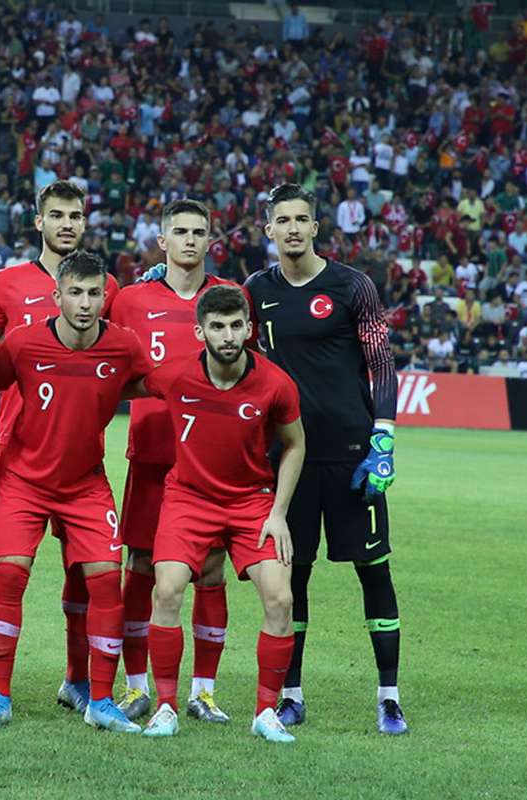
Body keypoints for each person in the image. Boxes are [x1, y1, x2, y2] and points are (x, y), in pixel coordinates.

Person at [244, 183, 407, 735]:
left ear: (315, 227)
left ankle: (389, 697)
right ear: (269, 229)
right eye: (282, 220)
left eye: (302, 219)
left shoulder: (352, 286)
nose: (292, 228)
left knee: (374, 570)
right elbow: (218, 325)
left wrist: (383, 438)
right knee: (293, 576)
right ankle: (291, 695)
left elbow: (381, 362)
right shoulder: (256, 290)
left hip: (353, 457)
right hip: (288, 460)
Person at [0, 250, 148, 734]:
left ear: (105, 297)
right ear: (57, 296)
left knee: (106, 582)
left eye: (93, 294)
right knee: (8, 576)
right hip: (24, 481)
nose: (85, 303)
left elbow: (149, 381)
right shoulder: (24, 342)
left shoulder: (123, 345)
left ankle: (101, 700)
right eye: (75, 293)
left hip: (86, 483)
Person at [136, 285, 305, 743]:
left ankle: (265, 712)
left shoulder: (275, 383)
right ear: (200, 332)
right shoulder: (176, 375)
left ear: (249, 329)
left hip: (252, 503)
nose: (227, 335)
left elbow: (295, 444)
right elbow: (127, 384)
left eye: (235, 326)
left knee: (281, 600)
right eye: (217, 326)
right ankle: (166, 706)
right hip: (188, 500)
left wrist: (278, 513)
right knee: (166, 591)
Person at [0, 180, 119, 716]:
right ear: (39, 221)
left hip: (83, 454)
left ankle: (78, 681)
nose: (66, 223)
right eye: (57, 215)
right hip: (21, 450)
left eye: (75, 215)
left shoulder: (107, 287)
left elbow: (121, 359)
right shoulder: (5, 284)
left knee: (86, 575)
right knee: (9, 571)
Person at [108, 199, 235, 722]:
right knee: (140, 565)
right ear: (162, 241)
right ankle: (137, 686)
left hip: (210, 460)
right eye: (179, 232)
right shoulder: (131, 300)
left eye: (198, 232)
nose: (189, 240)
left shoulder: (228, 298)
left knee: (211, 569)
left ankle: (203, 692)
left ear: (210, 240)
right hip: (152, 453)